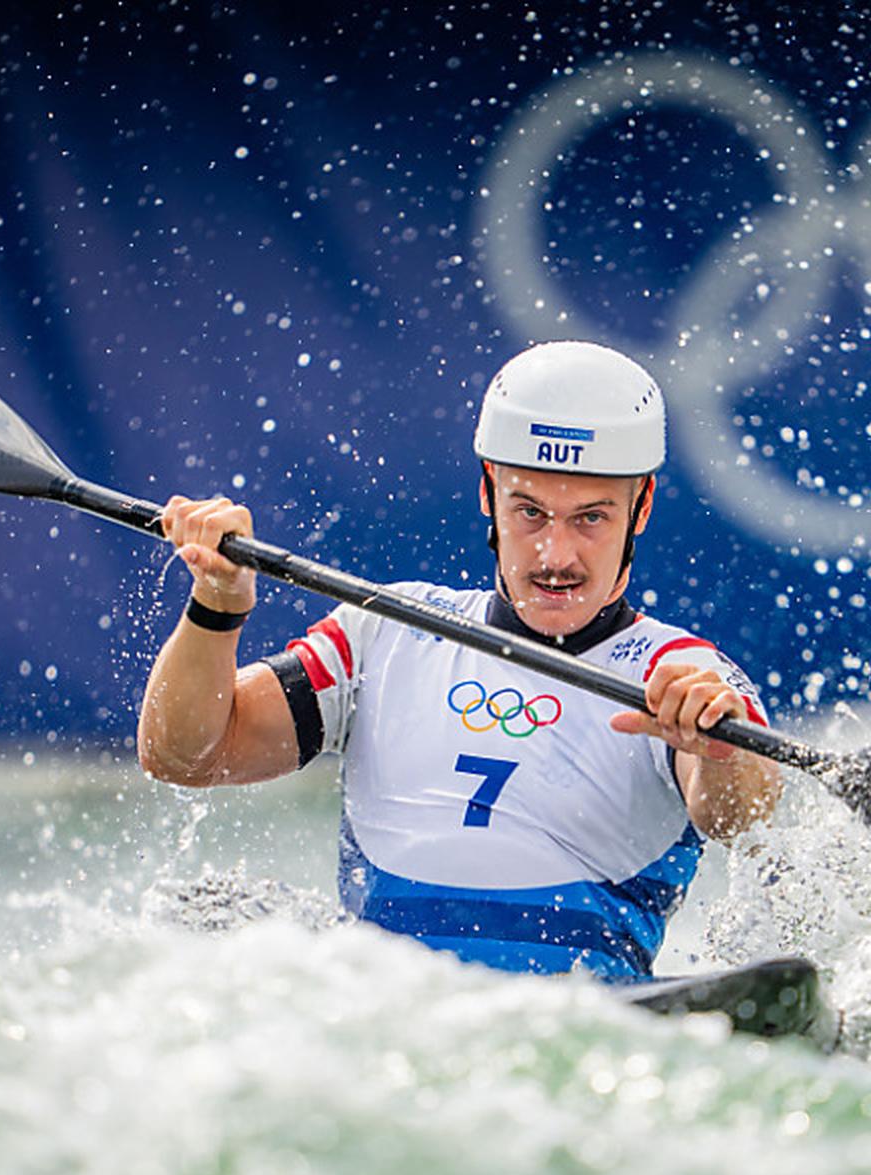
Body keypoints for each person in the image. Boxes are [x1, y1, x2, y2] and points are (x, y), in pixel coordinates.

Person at [137, 340, 781, 977]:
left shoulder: (683, 672)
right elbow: (185, 755)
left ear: (640, 508)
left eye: (590, 519)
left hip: (580, 1025)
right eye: (529, 512)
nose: (555, 555)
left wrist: (718, 749)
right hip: (388, 1012)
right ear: (488, 493)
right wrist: (217, 607)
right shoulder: (382, 629)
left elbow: (741, 813)